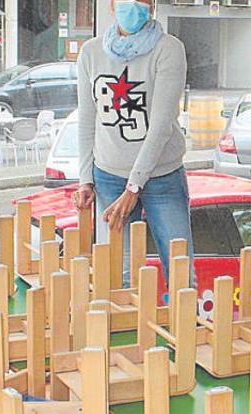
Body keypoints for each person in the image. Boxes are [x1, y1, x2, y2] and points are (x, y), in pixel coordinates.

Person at [74, 0, 192, 281]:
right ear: (112, 6)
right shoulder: (91, 52)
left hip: (162, 177)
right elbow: (87, 119)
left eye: (144, 1)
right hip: (109, 177)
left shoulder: (168, 49)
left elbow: (162, 124)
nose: (135, 7)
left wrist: (134, 186)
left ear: (151, 7)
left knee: (181, 274)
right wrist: (85, 179)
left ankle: (180, 325)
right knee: (117, 276)